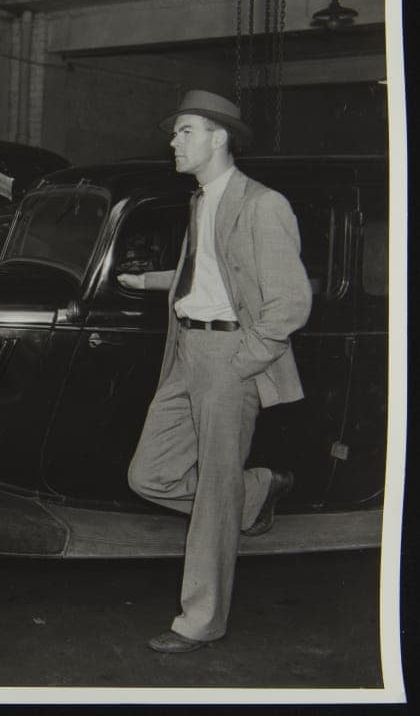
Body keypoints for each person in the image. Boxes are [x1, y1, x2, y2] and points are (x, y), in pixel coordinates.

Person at [118, 90, 312, 654]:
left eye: (184, 131)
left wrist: (243, 360)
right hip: (186, 352)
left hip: (230, 357)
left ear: (219, 137)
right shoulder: (203, 200)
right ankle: (256, 492)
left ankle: (200, 620)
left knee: (211, 496)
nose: (173, 141)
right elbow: (210, 272)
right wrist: (151, 282)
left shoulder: (262, 204)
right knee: (149, 474)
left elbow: (290, 302)